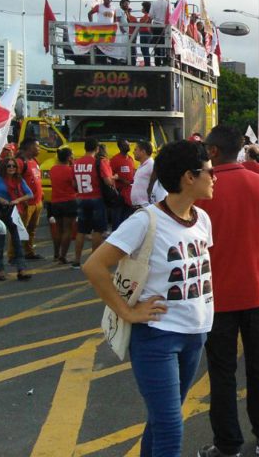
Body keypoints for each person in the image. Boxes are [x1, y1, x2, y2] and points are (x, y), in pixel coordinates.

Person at [82, 140, 215, 457]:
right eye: (210, 171)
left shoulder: (203, 220)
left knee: (160, 422)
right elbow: (95, 266)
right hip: (158, 337)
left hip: (195, 333)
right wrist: (127, 312)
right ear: (189, 177)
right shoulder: (146, 220)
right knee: (170, 427)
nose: (215, 177)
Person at [196, 126, 259, 457]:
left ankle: (228, 444)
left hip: (217, 298)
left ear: (214, 151)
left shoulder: (203, 189)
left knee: (222, 373)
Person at [0, 157, 33, 281]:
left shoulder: (18, 179)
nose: (11, 168)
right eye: (9, 166)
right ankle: (0, 271)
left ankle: (21, 270)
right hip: (0, 210)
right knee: (0, 242)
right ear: (4, 167)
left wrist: (17, 200)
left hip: (13, 211)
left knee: (17, 241)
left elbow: (30, 194)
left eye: (14, 166)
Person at [73, 138, 114, 265]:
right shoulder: (98, 162)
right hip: (96, 198)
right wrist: (114, 179)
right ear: (97, 149)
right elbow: (108, 181)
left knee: (81, 230)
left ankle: (76, 260)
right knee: (97, 230)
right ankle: (93, 260)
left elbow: (74, 183)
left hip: (81, 198)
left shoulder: (76, 163)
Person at [48, 148, 79, 267]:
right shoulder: (70, 170)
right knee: (67, 230)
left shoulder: (53, 169)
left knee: (58, 229)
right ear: (68, 158)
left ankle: (56, 253)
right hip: (69, 201)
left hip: (55, 201)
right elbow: (75, 185)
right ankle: (63, 256)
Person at [17, 138, 45, 260]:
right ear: (29, 147)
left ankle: (29, 252)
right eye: (37, 146)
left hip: (37, 202)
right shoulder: (19, 162)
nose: (39, 149)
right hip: (26, 203)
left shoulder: (34, 161)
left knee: (31, 229)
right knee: (19, 229)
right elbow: (13, 181)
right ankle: (14, 255)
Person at [131, 141, 166, 209]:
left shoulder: (151, 165)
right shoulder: (141, 166)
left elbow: (158, 186)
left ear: (143, 152)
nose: (133, 152)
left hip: (146, 206)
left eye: (136, 149)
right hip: (139, 206)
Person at [111, 139, 136, 229]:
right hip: (119, 192)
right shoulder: (115, 159)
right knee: (117, 215)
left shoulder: (130, 158)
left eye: (129, 144)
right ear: (121, 147)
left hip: (129, 192)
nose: (129, 146)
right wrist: (121, 180)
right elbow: (111, 175)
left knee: (126, 217)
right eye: (126, 144)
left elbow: (132, 172)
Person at [148, 0, 170, 66]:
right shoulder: (168, 4)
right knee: (165, 44)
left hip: (156, 26)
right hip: (166, 27)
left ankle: (157, 62)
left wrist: (148, 26)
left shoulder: (154, 3)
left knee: (156, 45)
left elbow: (151, 16)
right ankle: (164, 61)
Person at [138, 1, 154, 66]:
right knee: (144, 49)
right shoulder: (147, 16)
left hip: (146, 33)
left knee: (145, 49)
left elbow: (145, 23)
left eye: (143, 7)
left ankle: (147, 63)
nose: (142, 8)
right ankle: (147, 63)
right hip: (143, 33)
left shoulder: (147, 16)